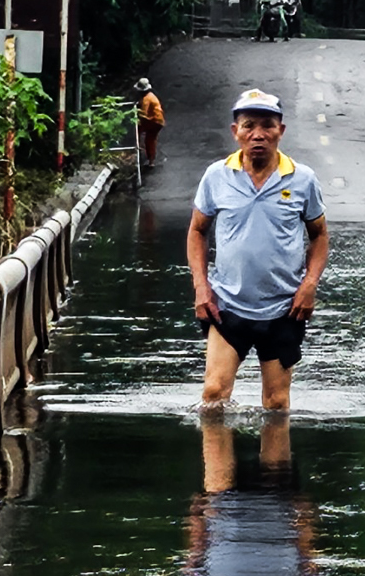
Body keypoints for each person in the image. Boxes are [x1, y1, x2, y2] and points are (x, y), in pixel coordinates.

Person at [188, 88, 330, 412]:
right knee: (213, 395)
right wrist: (201, 287)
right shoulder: (216, 176)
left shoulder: (302, 179)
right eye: (249, 125)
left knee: (276, 403)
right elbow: (198, 230)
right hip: (227, 305)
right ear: (235, 131)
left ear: (281, 131)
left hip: (284, 308)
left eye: (267, 125)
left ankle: (275, 465)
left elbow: (319, 235)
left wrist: (309, 286)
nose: (258, 134)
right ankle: (219, 462)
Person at [134, 77, 164, 166]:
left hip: (154, 121)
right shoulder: (150, 95)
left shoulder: (146, 100)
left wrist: (138, 118)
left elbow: (144, 114)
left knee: (149, 139)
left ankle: (149, 159)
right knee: (150, 138)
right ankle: (148, 156)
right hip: (157, 120)